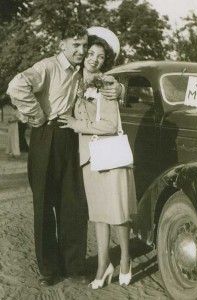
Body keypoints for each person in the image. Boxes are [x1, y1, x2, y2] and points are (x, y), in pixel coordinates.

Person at [7, 24, 122, 286]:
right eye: (76, 45)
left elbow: (106, 79)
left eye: (84, 46)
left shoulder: (83, 71)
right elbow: (16, 86)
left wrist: (121, 90)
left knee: (74, 204)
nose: (82, 51)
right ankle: (49, 270)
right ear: (62, 45)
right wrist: (37, 115)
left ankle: (74, 266)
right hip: (46, 136)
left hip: (73, 137)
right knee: (45, 204)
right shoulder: (47, 67)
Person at [59, 27, 137, 289]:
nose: (93, 59)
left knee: (118, 213)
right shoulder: (73, 79)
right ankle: (104, 265)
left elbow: (110, 125)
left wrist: (76, 124)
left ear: (106, 61)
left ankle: (125, 259)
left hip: (109, 155)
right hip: (88, 157)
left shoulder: (107, 84)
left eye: (100, 57)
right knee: (99, 215)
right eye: (90, 53)